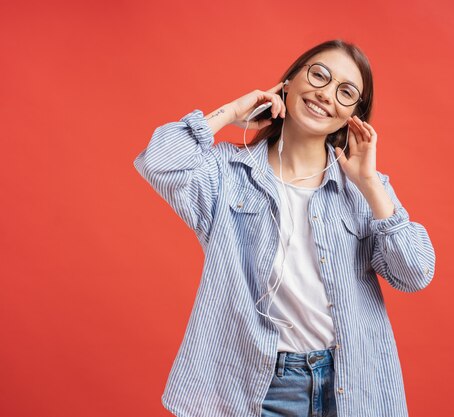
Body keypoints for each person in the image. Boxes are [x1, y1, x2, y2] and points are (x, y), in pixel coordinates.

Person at [134, 39, 436, 417]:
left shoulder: (364, 191)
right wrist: (230, 112)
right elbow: (159, 160)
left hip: (351, 386)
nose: (326, 94)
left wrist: (371, 184)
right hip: (256, 386)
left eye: (345, 92)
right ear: (289, 82)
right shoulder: (228, 174)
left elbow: (416, 273)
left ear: (354, 116)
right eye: (319, 75)